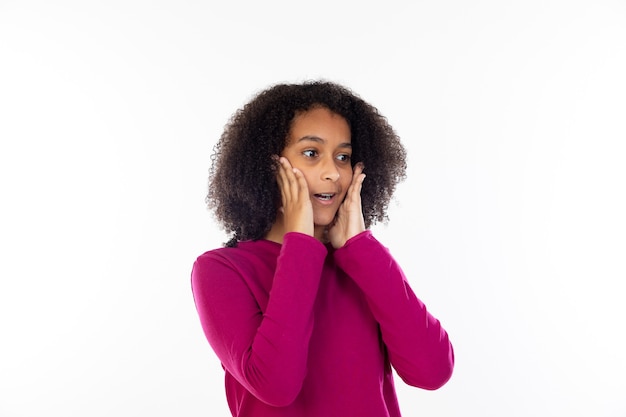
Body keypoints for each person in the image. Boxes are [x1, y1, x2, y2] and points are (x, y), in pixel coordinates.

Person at [191, 81, 454, 417]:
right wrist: (300, 243)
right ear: (269, 167)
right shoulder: (221, 270)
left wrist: (362, 250)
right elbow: (275, 385)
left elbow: (433, 372)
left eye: (343, 157)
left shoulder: (362, 264)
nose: (332, 173)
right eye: (312, 154)